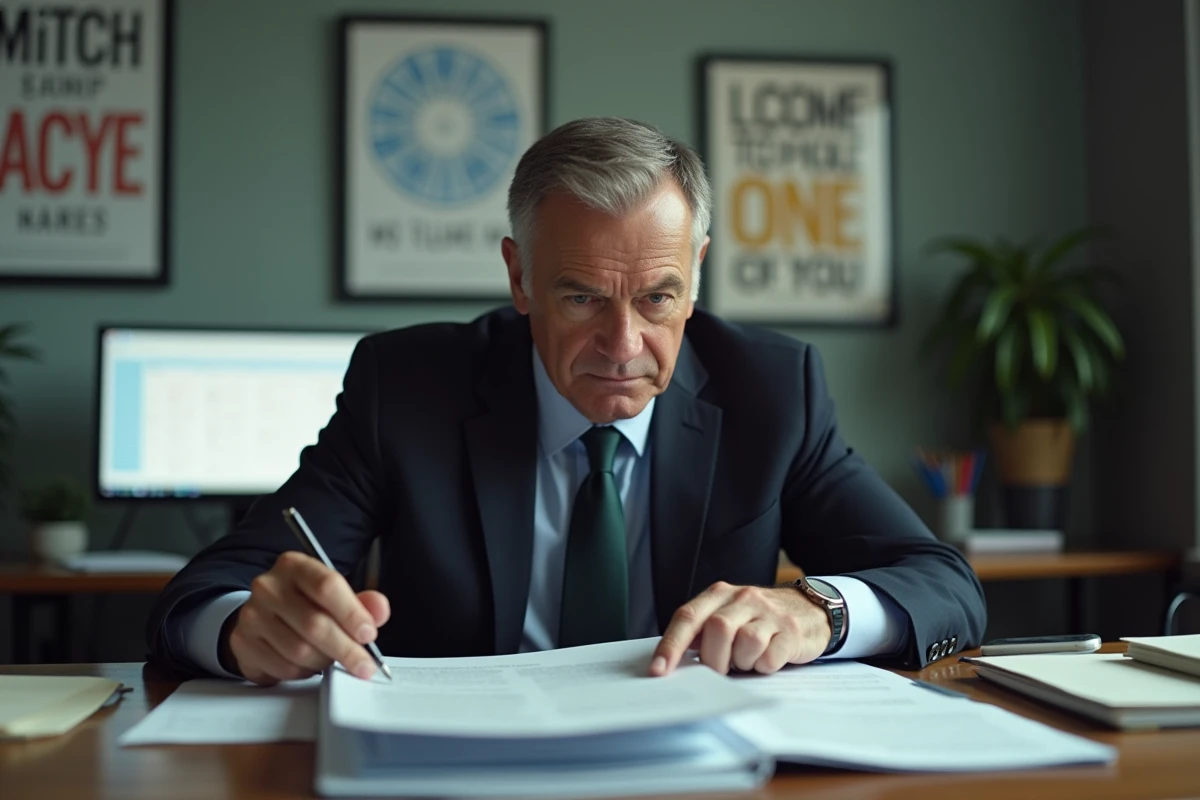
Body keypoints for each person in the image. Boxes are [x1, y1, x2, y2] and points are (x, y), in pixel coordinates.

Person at [147, 117, 986, 686]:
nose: (623, 345)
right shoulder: (405, 389)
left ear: (696, 274)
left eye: (658, 299)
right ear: (519, 277)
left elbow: (944, 585)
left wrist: (818, 611)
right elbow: (203, 595)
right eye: (582, 298)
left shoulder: (772, 390)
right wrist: (242, 632)